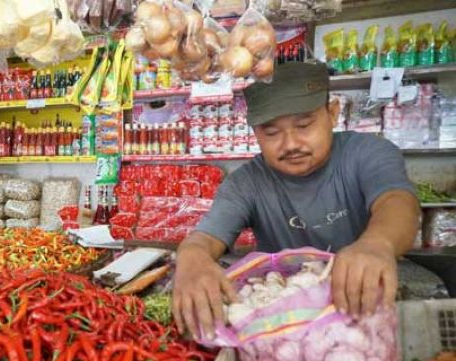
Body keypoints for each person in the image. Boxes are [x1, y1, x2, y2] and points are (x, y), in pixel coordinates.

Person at [173, 62, 420, 341]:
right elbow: (205, 237)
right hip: (284, 325)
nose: (290, 143)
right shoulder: (246, 182)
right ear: (255, 133)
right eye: (271, 132)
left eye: (304, 125)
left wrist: (377, 243)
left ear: (333, 113)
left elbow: (397, 201)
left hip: (366, 309)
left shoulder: (369, 153)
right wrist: (192, 259)